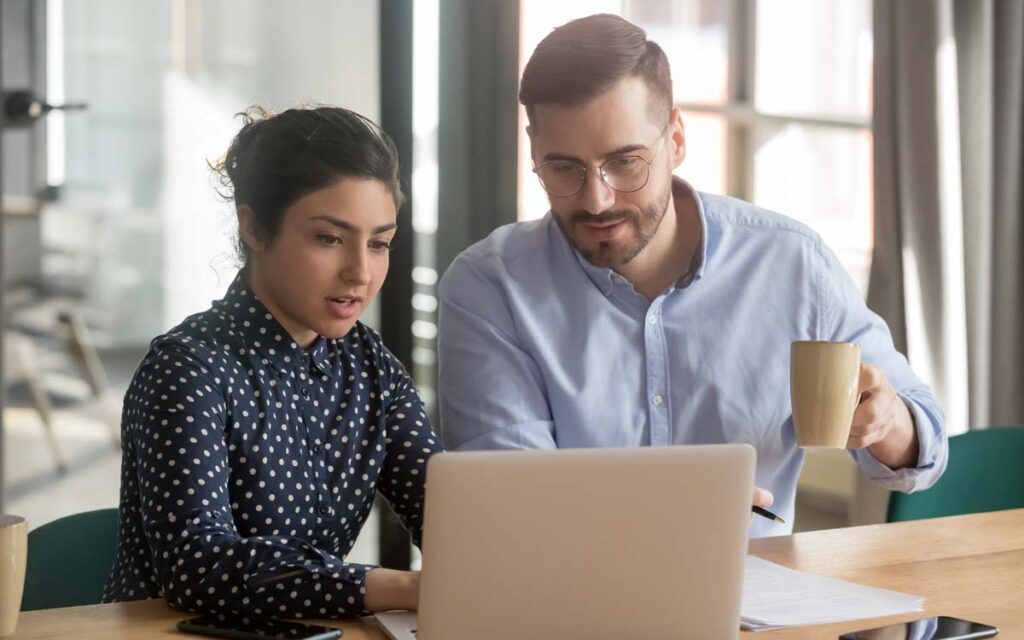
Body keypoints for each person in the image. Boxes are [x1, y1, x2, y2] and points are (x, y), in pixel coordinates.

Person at [437, 14, 947, 537]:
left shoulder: (792, 265)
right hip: (572, 607)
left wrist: (887, 422)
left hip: (764, 606)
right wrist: (675, 509)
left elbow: (926, 448)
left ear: (676, 139)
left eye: (625, 162)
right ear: (534, 151)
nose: (597, 198)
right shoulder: (490, 289)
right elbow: (512, 503)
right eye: (564, 168)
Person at [103, 106, 441, 617]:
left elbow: (450, 517)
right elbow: (198, 567)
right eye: (330, 239)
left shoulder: (370, 366)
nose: (360, 272)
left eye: (380, 244)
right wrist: (401, 588)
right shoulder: (188, 367)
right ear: (255, 229)